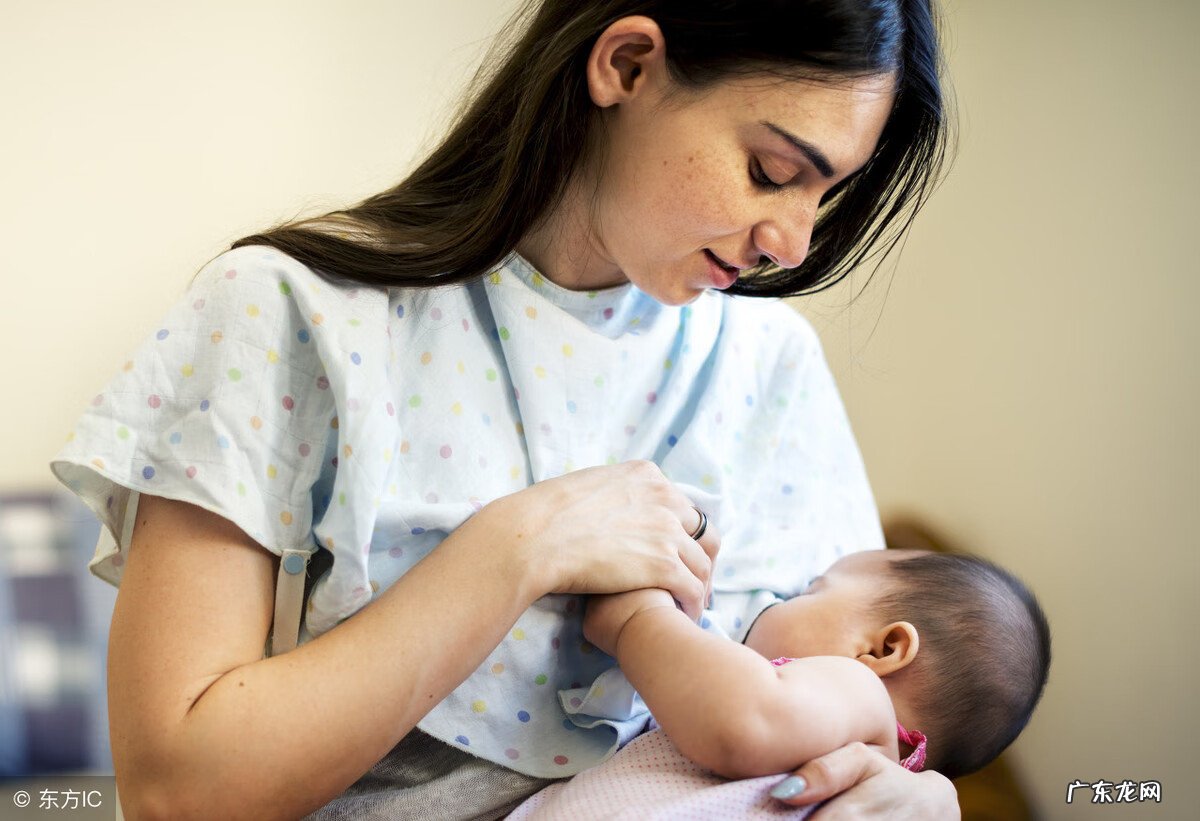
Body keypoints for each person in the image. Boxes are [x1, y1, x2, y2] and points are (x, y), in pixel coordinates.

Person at [49, 0, 955, 818]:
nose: (790, 244)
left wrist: (910, 789)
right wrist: (522, 547)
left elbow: (881, 709)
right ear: (628, 65)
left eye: (826, 193)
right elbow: (174, 791)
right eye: (769, 170)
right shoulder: (285, 313)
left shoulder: (772, 365)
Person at [509, 548, 1052, 818]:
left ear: (883, 650)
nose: (772, 601)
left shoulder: (858, 695)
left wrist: (639, 622)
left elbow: (745, 721)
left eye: (809, 591)